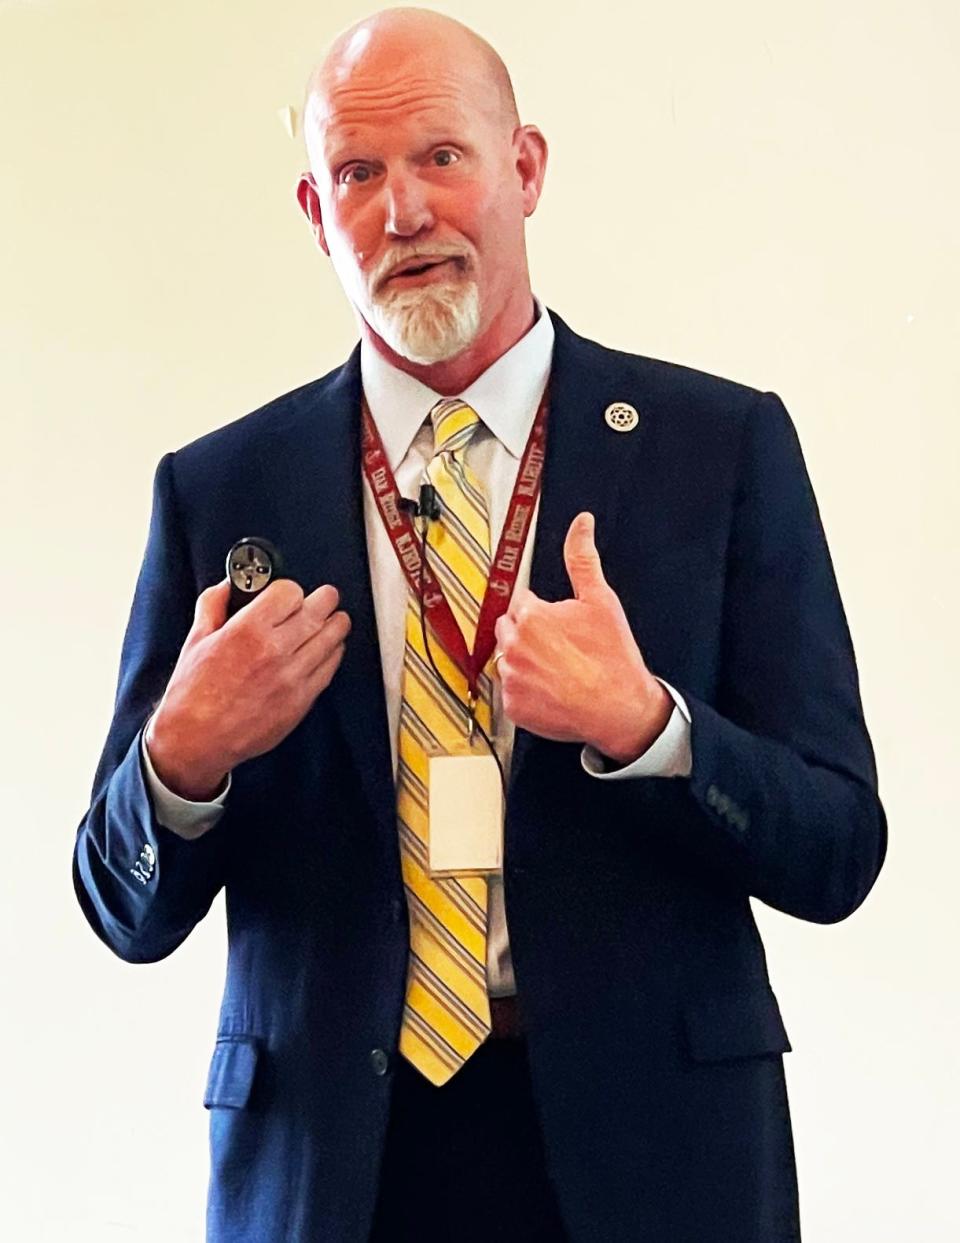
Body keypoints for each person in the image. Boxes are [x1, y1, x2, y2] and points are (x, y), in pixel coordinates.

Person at [72, 8, 887, 1242]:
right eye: (358, 173)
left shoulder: (717, 451)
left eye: (441, 157)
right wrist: (179, 763)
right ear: (315, 214)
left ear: (526, 169)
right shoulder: (221, 490)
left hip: (655, 1161)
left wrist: (652, 729)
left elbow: (838, 847)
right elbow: (122, 907)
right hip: (334, 1171)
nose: (403, 213)